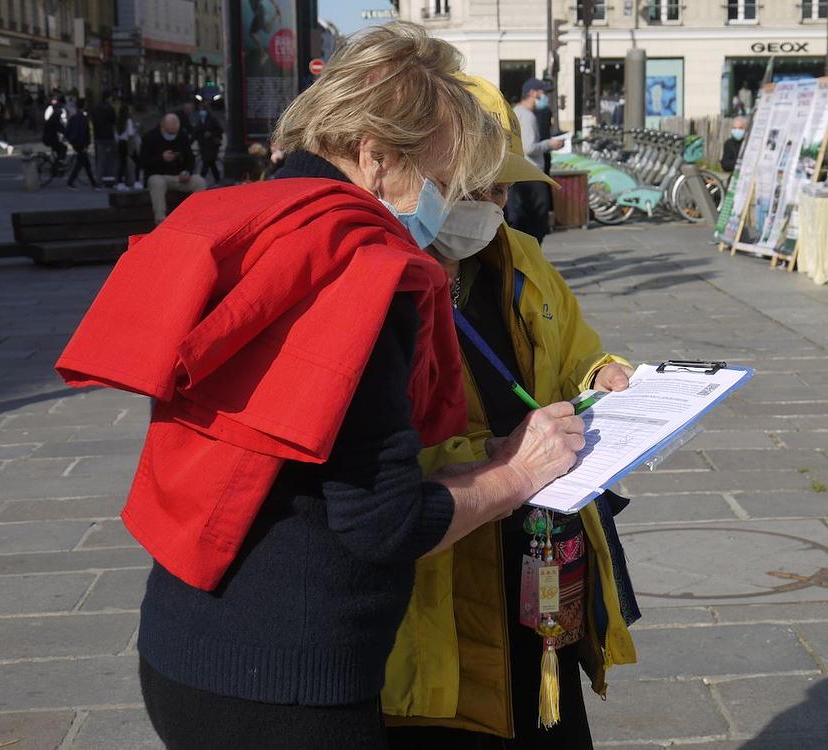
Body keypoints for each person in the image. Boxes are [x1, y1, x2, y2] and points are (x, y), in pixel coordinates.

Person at [56, 22, 585, 750]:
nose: (441, 206)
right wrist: (519, 473)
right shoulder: (361, 268)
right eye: (438, 180)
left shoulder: (251, 218)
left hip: (183, 643)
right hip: (290, 684)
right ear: (373, 156)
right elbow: (385, 526)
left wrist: (481, 457)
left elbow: (308, 456)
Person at [384, 75, 639, 750]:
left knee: (546, 718)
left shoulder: (520, 256)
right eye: (476, 189)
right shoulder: (387, 278)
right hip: (447, 571)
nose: (492, 205)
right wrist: (499, 460)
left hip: (541, 555)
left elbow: (573, 351)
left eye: (502, 189)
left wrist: (600, 372)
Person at [506, 78, 564, 244]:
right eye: (542, 92)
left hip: (520, 173)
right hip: (531, 175)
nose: (545, 96)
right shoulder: (528, 116)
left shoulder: (515, 112)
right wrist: (550, 144)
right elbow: (529, 147)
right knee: (537, 222)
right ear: (532, 93)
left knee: (522, 221)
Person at [140, 113, 206, 223]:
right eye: (170, 132)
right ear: (163, 126)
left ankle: (199, 216)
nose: (172, 135)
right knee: (157, 182)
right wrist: (161, 158)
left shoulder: (182, 136)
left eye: (174, 132)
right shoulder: (150, 137)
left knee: (199, 181)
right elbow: (143, 162)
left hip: (179, 177)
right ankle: (161, 220)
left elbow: (190, 158)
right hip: (159, 175)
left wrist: (187, 171)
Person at [64, 98, 98, 190]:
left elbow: (67, 131)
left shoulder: (74, 117)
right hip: (81, 144)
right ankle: (70, 182)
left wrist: (71, 141)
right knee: (81, 164)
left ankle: (94, 184)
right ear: (84, 105)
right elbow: (84, 132)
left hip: (76, 143)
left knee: (85, 164)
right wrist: (85, 145)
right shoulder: (82, 118)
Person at [90, 92, 117, 186]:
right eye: (110, 98)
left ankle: (99, 180)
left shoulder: (95, 108)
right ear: (107, 98)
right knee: (110, 160)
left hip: (98, 136)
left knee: (100, 159)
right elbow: (114, 121)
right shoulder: (109, 108)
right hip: (108, 136)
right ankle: (109, 180)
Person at [194, 102, 224, 182]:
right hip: (204, 145)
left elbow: (220, 130)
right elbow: (197, 132)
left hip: (211, 145)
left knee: (206, 162)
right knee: (211, 163)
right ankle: (217, 179)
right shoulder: (200, 120)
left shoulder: (212, 119)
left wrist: (211, 133)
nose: (201, 111)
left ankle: (201, 179)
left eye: (202, 109)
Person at [42, 99, 67, 166]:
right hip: (50, 139)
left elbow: (61, 127)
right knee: (63, 148)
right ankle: (59, 162)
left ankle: (57, 165)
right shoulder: (54, 117)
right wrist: (68, 134)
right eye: (60, 109)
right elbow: (60, 128)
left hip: (50, 138)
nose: (61, 111)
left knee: (59, 149)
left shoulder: (55, 116)